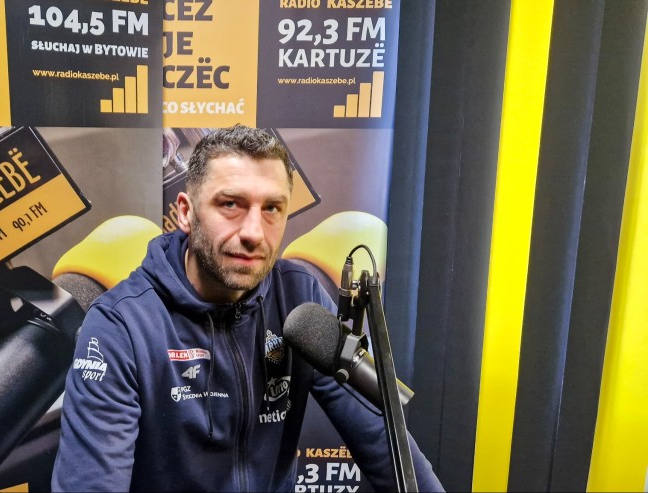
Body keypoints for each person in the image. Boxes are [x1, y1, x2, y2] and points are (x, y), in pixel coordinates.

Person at [51, 125, 443, 492]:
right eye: (231, 204)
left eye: (272, 208)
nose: (254, 233)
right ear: (186, 212)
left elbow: (382, 440)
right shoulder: (121, 325)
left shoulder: (299, 297)